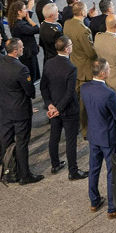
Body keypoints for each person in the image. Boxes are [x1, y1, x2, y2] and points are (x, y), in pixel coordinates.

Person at [0, 38, 41, 184]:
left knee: (6, 140)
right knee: (22, 143)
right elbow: (29, 91)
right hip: (20, 110)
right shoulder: (21, 69)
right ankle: (24, 175)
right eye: (21, 47)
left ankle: (8, 171)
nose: (23, 49)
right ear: (15, 51)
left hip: (5, 108)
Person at [40, 36, 85, 179]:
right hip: (68, 109)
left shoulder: (48, 63)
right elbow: (69, 92)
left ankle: (55, 164)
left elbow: (43, 87)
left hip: (53, 107)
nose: (72, 47)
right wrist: (59, 108)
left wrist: (50, 105)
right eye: (71, 45)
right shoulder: (71, 68)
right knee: (71, 141)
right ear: (67, 49)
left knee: (54, 136)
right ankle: (73, 171)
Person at [83, 58, 116, 216]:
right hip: (108, 137)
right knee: (111, 172)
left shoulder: (85, 88)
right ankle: (112, 207)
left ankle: (94, 200)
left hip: (93, 134)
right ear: (102, 73)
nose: (110, 71)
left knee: (94, 169)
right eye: (108, 69)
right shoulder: (109, 94)